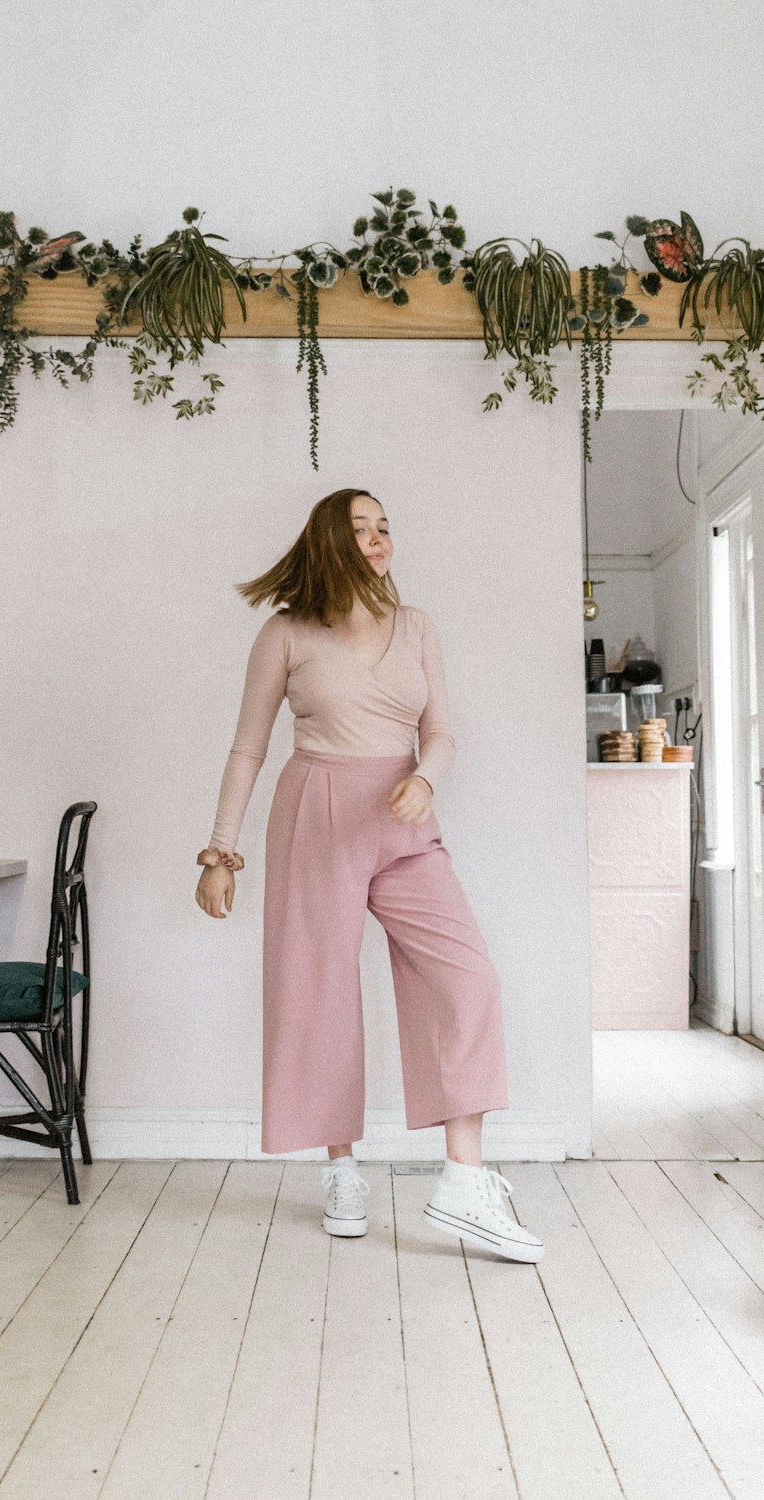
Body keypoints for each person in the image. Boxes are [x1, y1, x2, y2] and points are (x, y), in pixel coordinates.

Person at [195, 488, 543, 1264]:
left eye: (386, 526)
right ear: (328, 541)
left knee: (468, 978)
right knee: (319, 992)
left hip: (402, 817)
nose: (379, 539)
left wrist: (426, 777)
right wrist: (221, 852)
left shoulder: (417, 627)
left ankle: (463, 1179)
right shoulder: (285, 634)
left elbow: (443, 731)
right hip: (316, 810)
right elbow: (248, 747)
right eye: (361, 528)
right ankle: (341, 1170)